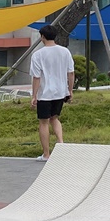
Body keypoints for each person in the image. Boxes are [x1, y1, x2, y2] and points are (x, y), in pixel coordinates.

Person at [30, 25, 74, 160]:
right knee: (55, 118)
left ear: (42, 37)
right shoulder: (65, 52)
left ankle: (46, 154)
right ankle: (61, 143)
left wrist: (34, 96)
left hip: (45, 93)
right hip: (60, 92)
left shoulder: (38, 55)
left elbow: (36, 77)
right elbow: (71, 73)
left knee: (44, 122)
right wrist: (70, 90)